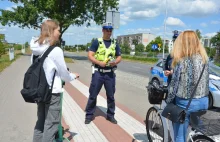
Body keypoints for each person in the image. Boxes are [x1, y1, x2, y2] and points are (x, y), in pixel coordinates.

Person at [30, 20, 79, 142]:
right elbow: (64, 75)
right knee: (51, 125)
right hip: (52, 93)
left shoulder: (35, 50)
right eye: (58, 30)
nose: (60, 32)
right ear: (51, 31)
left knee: (41, 122)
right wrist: (73, 76)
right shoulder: (55, 50)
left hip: (39, 92)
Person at [166, 30, 209, 142]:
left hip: (186, 104)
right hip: (204, 102)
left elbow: (174, 86)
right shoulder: (204, 59)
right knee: (194, 127)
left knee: (179, 137)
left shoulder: (181, 61)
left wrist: (168, 100)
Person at [85, 22, 122, 124]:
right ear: (103, 30)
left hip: (110, 73)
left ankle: (110, 115)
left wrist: (115, 62)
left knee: (111, 96)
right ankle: (89, 115)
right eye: (107, 30)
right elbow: (90, 55)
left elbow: (119, 56)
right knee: (93, 94)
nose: (109, 32)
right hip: (98, 73)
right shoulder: (97, 42)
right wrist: (99, 63)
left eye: (110, 30)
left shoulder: (114, 43)